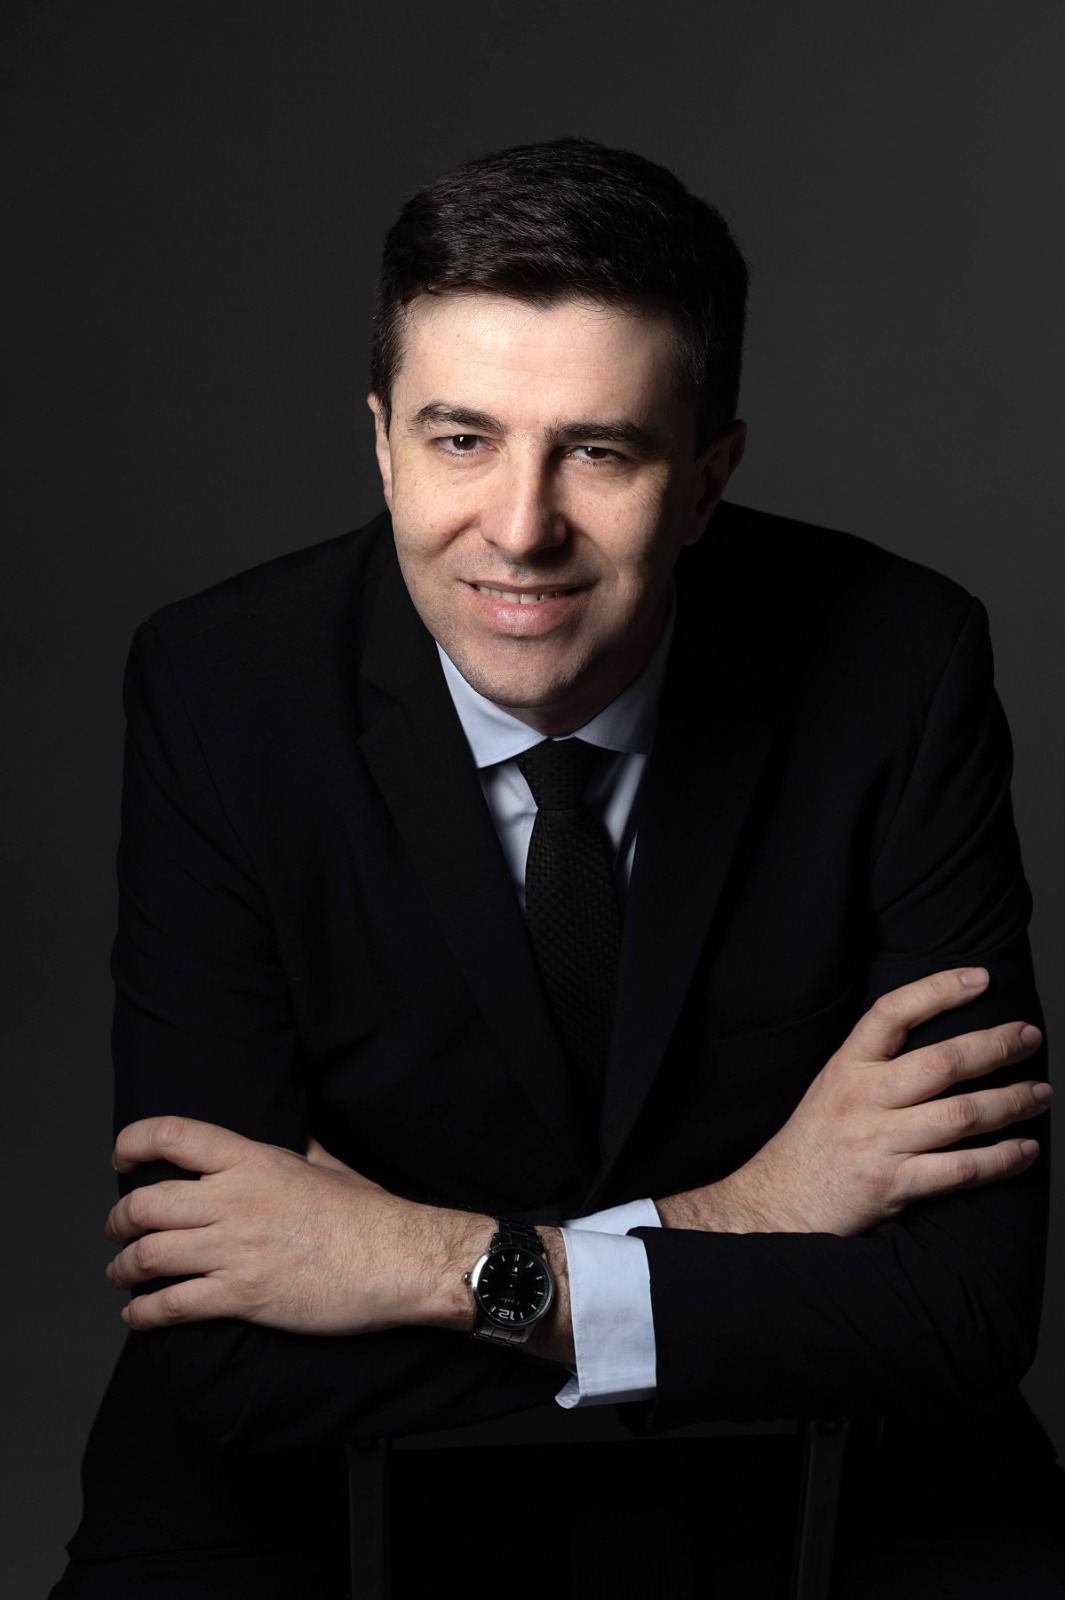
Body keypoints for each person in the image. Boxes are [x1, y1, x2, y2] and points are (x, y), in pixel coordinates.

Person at [53, 138, 1061, 1598]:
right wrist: (751, 1222)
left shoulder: (900, 667)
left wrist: (414, 1265)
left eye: (599, 451)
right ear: (382, 444)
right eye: (461, 440)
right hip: (311, 1488)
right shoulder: (219, 689)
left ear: (706, 479)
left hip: (810, 1463)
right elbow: (225, 1345)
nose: (520, 531)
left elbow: (960, 1308)